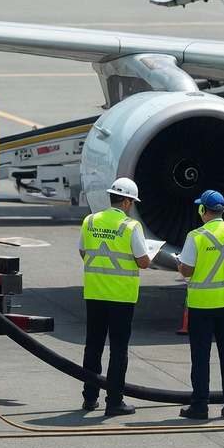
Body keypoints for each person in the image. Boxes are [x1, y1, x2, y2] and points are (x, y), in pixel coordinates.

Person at [79, 176, 152, 416]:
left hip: (95, 293)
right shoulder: (131, 227)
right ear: (128, 203)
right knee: (118, 349)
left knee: (93, 346)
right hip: (121, 296)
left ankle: (90, 398)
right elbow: (143, 262)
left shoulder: (90, 221)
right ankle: (114, 401)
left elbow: (83, 251)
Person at [177, 189, 224, 420]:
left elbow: (187, 270)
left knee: (201, 356)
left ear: (203, 210)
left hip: (202, 304)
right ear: (223, 210)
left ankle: (199, 405)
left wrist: (180, 265)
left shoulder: (196, 236)